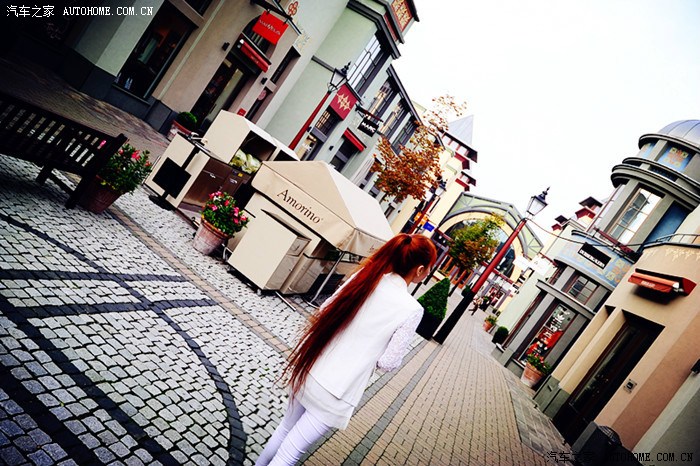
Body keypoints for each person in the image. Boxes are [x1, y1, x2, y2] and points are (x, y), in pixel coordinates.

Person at [255, 234, 437, 466]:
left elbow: (325, 309)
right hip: (338, 390)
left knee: (283, 430)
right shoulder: (411, 310)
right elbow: (388, 362)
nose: (428, 272)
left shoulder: (367, 277)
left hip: (312, 366)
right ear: (420, 269)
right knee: (290, 453)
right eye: (429, 268)